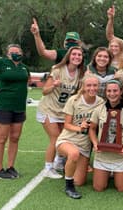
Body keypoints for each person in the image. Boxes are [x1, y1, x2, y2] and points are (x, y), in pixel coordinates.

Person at [36, 46, 85, 179]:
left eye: (79, 55)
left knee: (65, 138)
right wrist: (54, 85)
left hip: (63, 111)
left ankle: (58, 162)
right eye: (74, 54)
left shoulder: (80, 74)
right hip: (49, 109)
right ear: (69, 56)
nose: (76, 57)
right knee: (55, 138)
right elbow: (44, 91)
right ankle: (48, 167)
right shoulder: (58, 70)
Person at [56, 75, 105, 199]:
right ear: (83, 86)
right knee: (73, 154)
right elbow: (66, 124)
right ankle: (68, 187)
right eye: (89, 85)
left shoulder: (101, 102)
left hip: (84, 145)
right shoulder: (74, 100)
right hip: (68, 140)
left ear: (98, 86)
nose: (92, 88)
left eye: (95, 85)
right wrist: (80, 128)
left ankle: (69, 166)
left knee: (79, 181)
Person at [0, 44, 30, 179]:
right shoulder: (0, 63)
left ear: (21, 53)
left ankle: (11, 167)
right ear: (7, 54)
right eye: (12, 52)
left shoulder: (24, 68)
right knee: (1, 138)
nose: (15, 53)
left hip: (19, 107)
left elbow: (26, 82)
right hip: (3, 105)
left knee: (15, 138)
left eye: (18, 51)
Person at [89, 79, 123, 192]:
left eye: (115, 91)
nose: (112, 93)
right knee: (98, 187)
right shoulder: (99, 109)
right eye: (109, 91)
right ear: (105, 92)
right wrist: (95, 144)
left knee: (122, 188)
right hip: (102, 155)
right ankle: (108, 173)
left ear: (120, 92)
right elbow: (92, 129)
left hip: (119, 155)